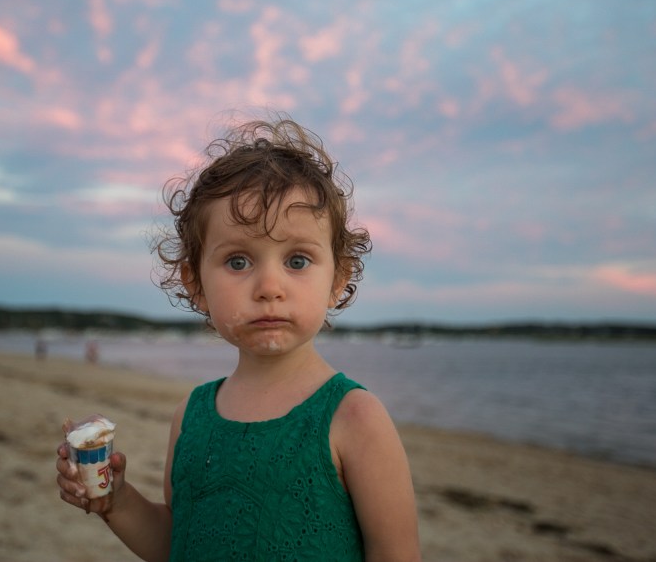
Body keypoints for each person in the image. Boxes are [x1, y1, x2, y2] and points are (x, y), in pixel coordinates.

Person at [56, 116, 421, 560]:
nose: (269, 286)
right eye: (238, 262)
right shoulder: (191, 416)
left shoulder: (355, 418)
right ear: (195, 283)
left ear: (337, 279)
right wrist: (115, 500)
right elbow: (180, 542)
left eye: (298, 260)